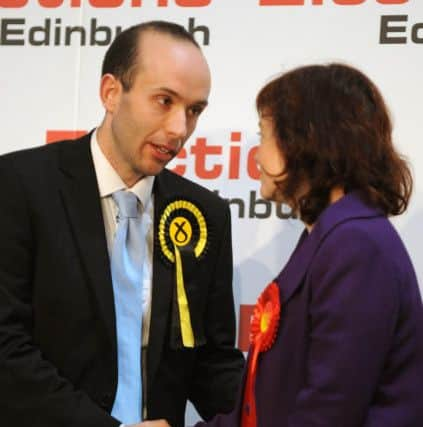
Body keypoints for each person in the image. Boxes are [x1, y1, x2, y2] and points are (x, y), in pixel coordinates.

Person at [146, 63, 423, 427]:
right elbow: (269, 404)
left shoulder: (356, 247)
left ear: (306, 141)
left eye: (264, 136)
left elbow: (328, 413)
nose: (257, 157)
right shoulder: (334, 237)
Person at [0, 21, 244, 427]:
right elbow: (6, 350)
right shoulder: (19, 186)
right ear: (111, 93)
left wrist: (274, 404)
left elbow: (213, 365)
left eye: (194, 110)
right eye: (164, 101)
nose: (179, 129)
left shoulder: (204, 214)